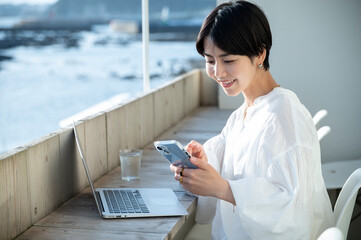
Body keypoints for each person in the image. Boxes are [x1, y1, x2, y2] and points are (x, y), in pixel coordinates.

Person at [170, 1, 334, 239]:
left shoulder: (284, 114)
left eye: (228, 60)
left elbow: (291, 209)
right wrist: (203, 161)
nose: (217, 72)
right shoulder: (244, 113)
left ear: (259, 53)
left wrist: (223, 188)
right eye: (210, 60)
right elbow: (234, 159)